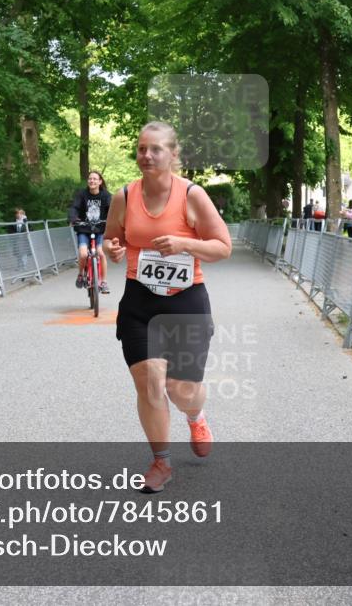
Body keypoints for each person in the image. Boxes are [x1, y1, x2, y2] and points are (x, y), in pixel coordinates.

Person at [102, 122, 232, 493]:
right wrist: (110, 250)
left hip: (185, 301)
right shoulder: (124, 196)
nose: (147, 155)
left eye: (156, 149)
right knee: (149, 383)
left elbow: (223, 247)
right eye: (142, 148)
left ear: (174, 155)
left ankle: (196, 415)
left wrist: (184, 244)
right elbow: (112, 240)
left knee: (181, 389)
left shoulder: (192, 195)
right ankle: (161, 461)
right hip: (140, 300)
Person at [68, 170, 111, 293]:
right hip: (84, 229)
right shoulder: (82, 194)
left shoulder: (106, 196)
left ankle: (103, 282)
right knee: (83, 254)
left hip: (100, 230)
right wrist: (73, 218)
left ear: (100, 182)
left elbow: (112, 210)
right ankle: (81, 274)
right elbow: (74, 208)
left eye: (95, 179)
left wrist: (112, 221)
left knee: (101, 253)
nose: (92, 181)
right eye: (90, 179)